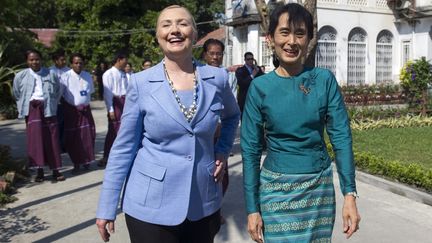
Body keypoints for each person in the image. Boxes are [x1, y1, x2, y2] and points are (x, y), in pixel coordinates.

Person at [96, 5, 240, 243]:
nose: (175, 30)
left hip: (203, 203)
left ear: (194, 34)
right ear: (158, 36)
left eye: (183, 24)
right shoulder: (141, 83)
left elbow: (232, 116)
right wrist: (106, 207)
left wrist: (223, 151)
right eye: (166, 25)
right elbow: (123, 147)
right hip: (150, 207)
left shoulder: (217, 78)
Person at [241, 3, 361, 243]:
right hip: (275, 191)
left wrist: (350, 194)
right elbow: (250, 149)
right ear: (271, 38)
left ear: (308, 39)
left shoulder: (323, 80)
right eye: (284, 32)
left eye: (300, 33)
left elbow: (341, 137)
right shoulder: (259, 87)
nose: (292, 41)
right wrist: (252, 208)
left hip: (318, 189)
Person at [13, 49, 65, 182]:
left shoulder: (51, 74)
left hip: (48, 109)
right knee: (36, 141)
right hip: (32, 110)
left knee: (52, 140)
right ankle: (39, 171)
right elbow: (17, 93)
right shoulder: (20, 76)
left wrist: (51, 102)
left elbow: (58, 90)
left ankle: (56, 170)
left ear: (41, 60)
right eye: (31, 59)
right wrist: (28, 104)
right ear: (27, 61)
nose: (34, 62)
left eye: (36, 59)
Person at [60, 53, 96, 173]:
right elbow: (61, 96)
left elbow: (89, 92)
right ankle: (76, 163)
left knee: (88, 136)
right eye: (76, 63)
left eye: (81, 62)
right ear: (71, 64)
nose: (78, 65)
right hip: (72, 112)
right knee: (74, 138)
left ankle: (87, 161)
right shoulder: (65, 77)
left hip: (85, 111)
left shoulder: (87, 76)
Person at [98, 52, 128, 167]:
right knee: (113, 131)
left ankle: (120, 156)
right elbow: (107, 94)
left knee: (124, 130)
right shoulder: (108, 74)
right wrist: (110, 109)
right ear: (119, 59)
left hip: (124, 103)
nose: (126, 63)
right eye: (125, 60)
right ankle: (106, 156)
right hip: (115, 104)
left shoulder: (123, 73)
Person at [50, 49, 70, 153]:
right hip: (55, 103)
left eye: (64, 59)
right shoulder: (49, 72)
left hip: (67, 102)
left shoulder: (69, 71)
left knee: (66, 124)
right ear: (55, 60)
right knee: (57, 124)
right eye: (61, 60)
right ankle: (56, 145)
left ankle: (65, 145)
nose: (64, 62)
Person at [235, 52, 264, 116]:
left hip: (256, 98)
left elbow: (263, 80)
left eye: (252, 59)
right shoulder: (240, 70)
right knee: (244, 119)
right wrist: (252, 75)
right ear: (245, 60)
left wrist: (258, 70)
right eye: (248, 59)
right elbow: (241, 83)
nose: (250, 61)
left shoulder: (257, 69)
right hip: (244, 99)